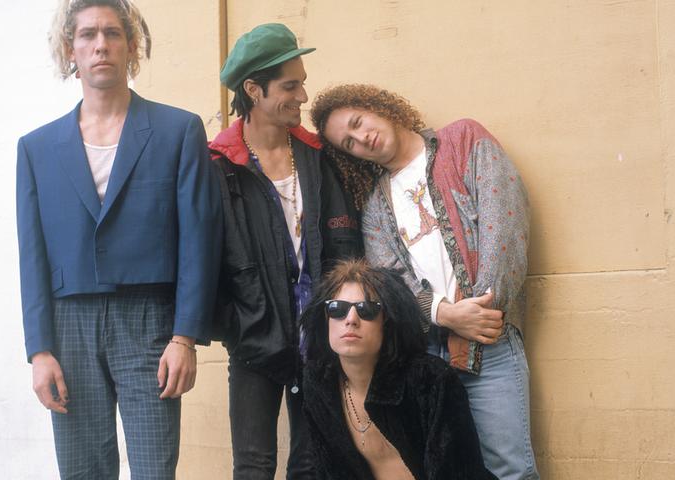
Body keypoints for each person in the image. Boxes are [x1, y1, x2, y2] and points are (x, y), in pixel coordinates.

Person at [16, 1, 221, 478]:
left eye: (112, 33)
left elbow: (199, 238)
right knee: (83, 469)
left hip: (149, 321)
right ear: (71, 49)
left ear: (132, 46)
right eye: (87, 35)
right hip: (69, 326)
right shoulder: (37, 148)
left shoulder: (178, 130)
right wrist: (39, 350)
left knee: (154, 467)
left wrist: (185, 337)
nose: (100, 44)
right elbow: (32, 254)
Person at [310, 84, 539, 479]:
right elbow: (392, 285)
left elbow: (506, 227)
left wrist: (479, 312)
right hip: (428, 353)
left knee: (509, 470)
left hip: (489, 340)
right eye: (350, 144)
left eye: (358, 123)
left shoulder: (464, 140)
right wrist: (447, 315)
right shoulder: (376, 207)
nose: (362, 139)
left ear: (376, 106)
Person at [208, 23, 361, 479]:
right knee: (253, 466)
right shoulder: (218, 164)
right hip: (254, 340)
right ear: (253, 89)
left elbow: (345, 242)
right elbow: (203, 258)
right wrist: (237, 325)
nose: (304, 96)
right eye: (291, 86)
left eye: (303, 82)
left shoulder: (318, 156)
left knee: (313, 465)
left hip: (320, 341)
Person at [300, 259, 495, 480]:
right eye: (338, 309)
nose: (351, 319)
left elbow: (459, 473)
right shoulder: (319, 383)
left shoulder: (430, 381)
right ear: (325, 319)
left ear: (388, 322)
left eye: (367, 310)